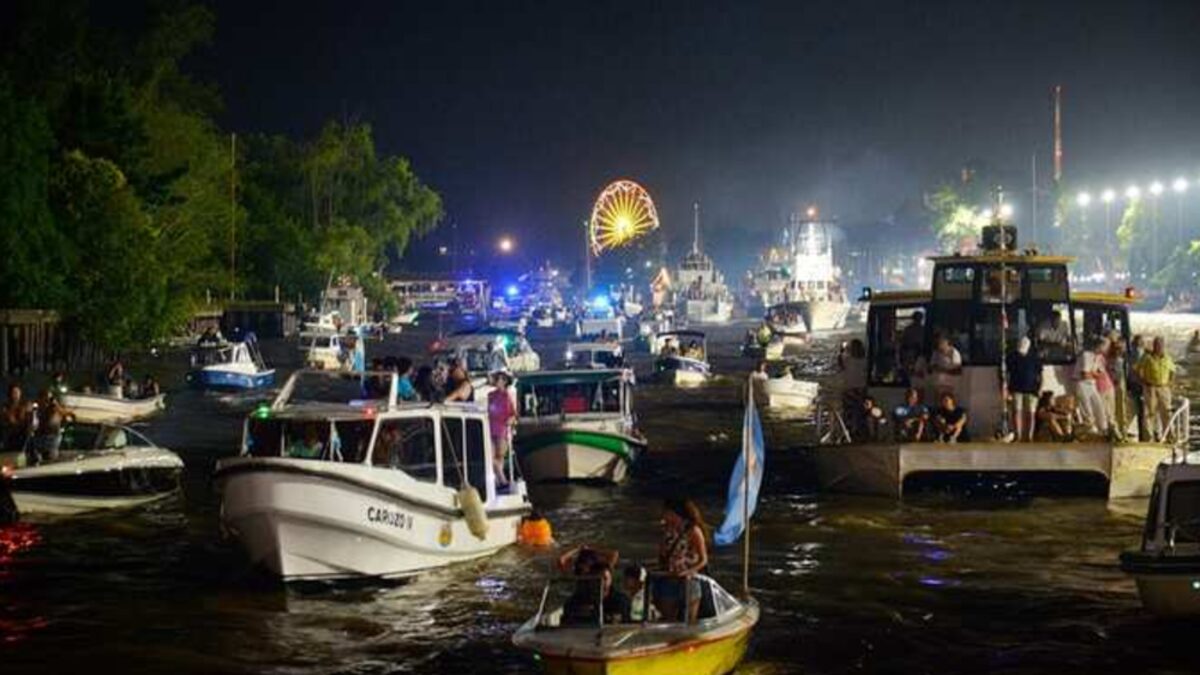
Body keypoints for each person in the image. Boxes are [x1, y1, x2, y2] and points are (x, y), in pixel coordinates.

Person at [654, 498, 709, 624]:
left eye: (666, 512)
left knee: (689, 620)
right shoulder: (667, 531)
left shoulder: (693, 531)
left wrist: (688, 572)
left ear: (675, 513)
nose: (664, 515)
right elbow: (662, 554)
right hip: (669, 578)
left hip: (689, 581)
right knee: (668, 620)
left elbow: (703, 559)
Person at [558, 545, 630, 625]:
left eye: (605, 579)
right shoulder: (578, 577)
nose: (586, 568)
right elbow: (561, 560)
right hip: (584, 599)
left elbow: (614, 554)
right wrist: (578, 549)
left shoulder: (620, 600)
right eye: (583, 564)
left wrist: (590, 549)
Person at [1135, 336, 1176, 441]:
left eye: (1161, 345)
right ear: (1154, 346)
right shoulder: (1147, 357)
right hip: (1150, 387)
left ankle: (1170, 436)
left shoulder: (1167, 357)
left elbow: (1172, 371)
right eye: (1157, 345)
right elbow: (1137, 369)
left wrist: (1170, 383)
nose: (1159, 347)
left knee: (1166, 412)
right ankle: (1148, 437)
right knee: (1149, 412)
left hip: (1163, 387)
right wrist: (1143, 381)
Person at [1007, 337, 1042, 442]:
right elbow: (1005, 373)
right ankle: (1018, 435)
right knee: (1016, 412)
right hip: (1015, 389)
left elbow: (1041, 374)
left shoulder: (1034, 358)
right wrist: (1005, 389)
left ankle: (1029, 436)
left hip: (1032, 390)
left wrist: (1040, 388)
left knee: (1031, 413)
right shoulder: (1011, 357)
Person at [1073, 338, 1110, 437]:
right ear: (1099, 346)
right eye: (1105, 346)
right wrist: (1095, 374)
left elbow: (1100, 374)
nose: (1107, 348)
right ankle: (1090, 432)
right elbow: (1085, 374)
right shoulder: (1086, 355)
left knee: (1099, 407)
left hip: (1092, 384)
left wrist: (1093, 374)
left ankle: (1103, 430)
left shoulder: (1099, 357)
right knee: (1087, 409)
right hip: (1082, 384)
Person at [487, 371, 517, 487]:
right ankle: (502, 480)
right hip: (490, 428)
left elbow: (513, 414)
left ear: (504, 382)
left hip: (502, 429)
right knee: (491, 456)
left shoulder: (507, 396)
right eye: (497, 379)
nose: (497, 382)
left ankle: (498, 481)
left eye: (499, 380)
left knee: (500, 456)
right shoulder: (491, 395)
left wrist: (511, 420)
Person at [30, 388, 71, 464]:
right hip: (39, 438)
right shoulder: (36, 409)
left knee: (51, 460)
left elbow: (63, 416)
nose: (47, 400)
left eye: (49, 398)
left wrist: (55, 406)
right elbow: (34, 423)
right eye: (44, 398)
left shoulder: (55, 409)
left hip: (52, 438)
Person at [1106, 337, 1130, 442]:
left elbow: (1121, 374)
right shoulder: (1107, 360)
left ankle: (1122, 432)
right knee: (1111, 409)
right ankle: (1113, 432)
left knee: (1121, 409)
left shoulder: (1121, 360)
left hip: (1119, 384)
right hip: (1110, 385)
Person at [2, 384, 34, 452]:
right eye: (13, 392)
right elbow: (8, 420)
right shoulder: (6, 407)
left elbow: (28, 419)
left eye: (17, 392)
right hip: (10, 434)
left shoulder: (25, 404)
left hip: (23, 433)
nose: (15, 395)